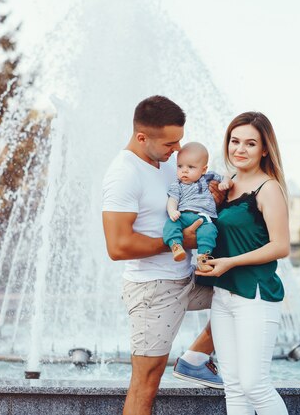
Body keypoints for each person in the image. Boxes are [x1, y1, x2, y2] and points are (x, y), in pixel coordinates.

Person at [101, 96, 223, 415]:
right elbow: (118, 246)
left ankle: (195, 358)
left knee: (246, 291)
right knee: (147, 382)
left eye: (179, 139)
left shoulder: (169, 163)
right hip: (153, 289)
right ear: (142, 138)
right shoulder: (123, 173)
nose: (178, 148)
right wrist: (181, 241)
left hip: (186, 278)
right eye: (170, 142)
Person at [196, 112, 289, 415]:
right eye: (235, 141)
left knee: (255, 385)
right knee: (234, 388)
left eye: (250, 143)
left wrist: (230, 263)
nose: (240, 149)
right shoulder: (228, 183)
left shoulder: (268, 188)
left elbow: (280, 246)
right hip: (223, 295)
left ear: (264, 149)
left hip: (256, 295)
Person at [163, 142, 233, 271]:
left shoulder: (207, 178)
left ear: (203, 169)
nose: (184, 170)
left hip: (203, 216)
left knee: (210, 231)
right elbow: (172, 200)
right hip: (183, 215)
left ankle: (203, 258)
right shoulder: (177, 185)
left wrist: (224, 182)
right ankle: (175, 246)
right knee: (171, 224)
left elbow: (227, 178)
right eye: (180, 166)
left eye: (190, 167)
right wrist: (172, 210)